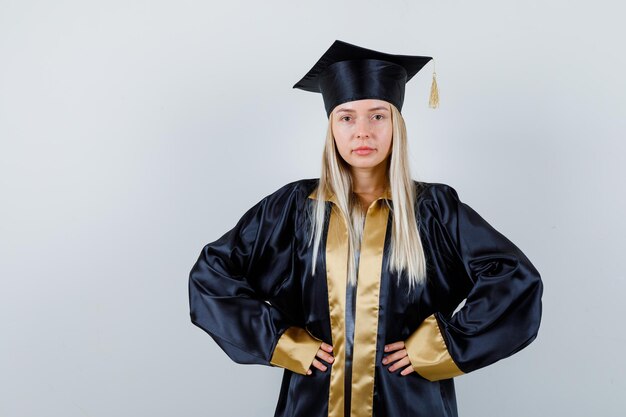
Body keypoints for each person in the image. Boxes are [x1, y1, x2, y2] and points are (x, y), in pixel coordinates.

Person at [188, 40, 543, 417]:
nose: (362, 132)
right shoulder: (294, 209)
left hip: (409, 402)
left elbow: (514, 280)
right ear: (331, 128)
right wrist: (285, 343)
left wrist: (437, 346)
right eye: (346, 117)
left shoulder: (433, 210)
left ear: (396, 124)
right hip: (313, 402)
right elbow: (211, 277)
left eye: (377, 116)